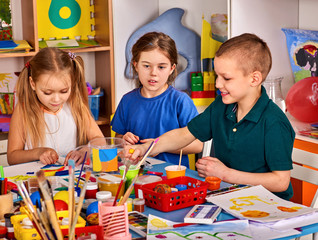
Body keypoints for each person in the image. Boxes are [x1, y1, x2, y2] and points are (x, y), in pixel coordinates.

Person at [125, 33, 295, 200]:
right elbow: (184, 134)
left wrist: (225, 174)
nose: (217, 84)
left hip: (267, 207)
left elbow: (280, 181)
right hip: (229, 198)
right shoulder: (222, 105)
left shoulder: (274, 121)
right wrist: (148, 148)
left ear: (254, 78)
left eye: (226, 78)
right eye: (217, 76)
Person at [111, 32, 203, 168]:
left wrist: (158, 146)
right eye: (146, 66)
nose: (153, 73)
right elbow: (117, 138)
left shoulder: (181, 101)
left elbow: (197, 145)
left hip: (172, 178)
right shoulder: (127, 100)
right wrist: (123, 140)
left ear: (171, 68)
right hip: (137, 173)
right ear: (136, 65)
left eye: (161, 67)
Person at [7, 47, 104, 166]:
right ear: (33, 84)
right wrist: (38, 152)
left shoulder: (75, 104)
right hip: (37, 180)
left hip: (71, 177)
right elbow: (12, 157)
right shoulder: (24, 109)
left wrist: (86, 150)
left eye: (64, 91)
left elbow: (100, 139)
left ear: (72, 83)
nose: (56, 99)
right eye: (47, 93)